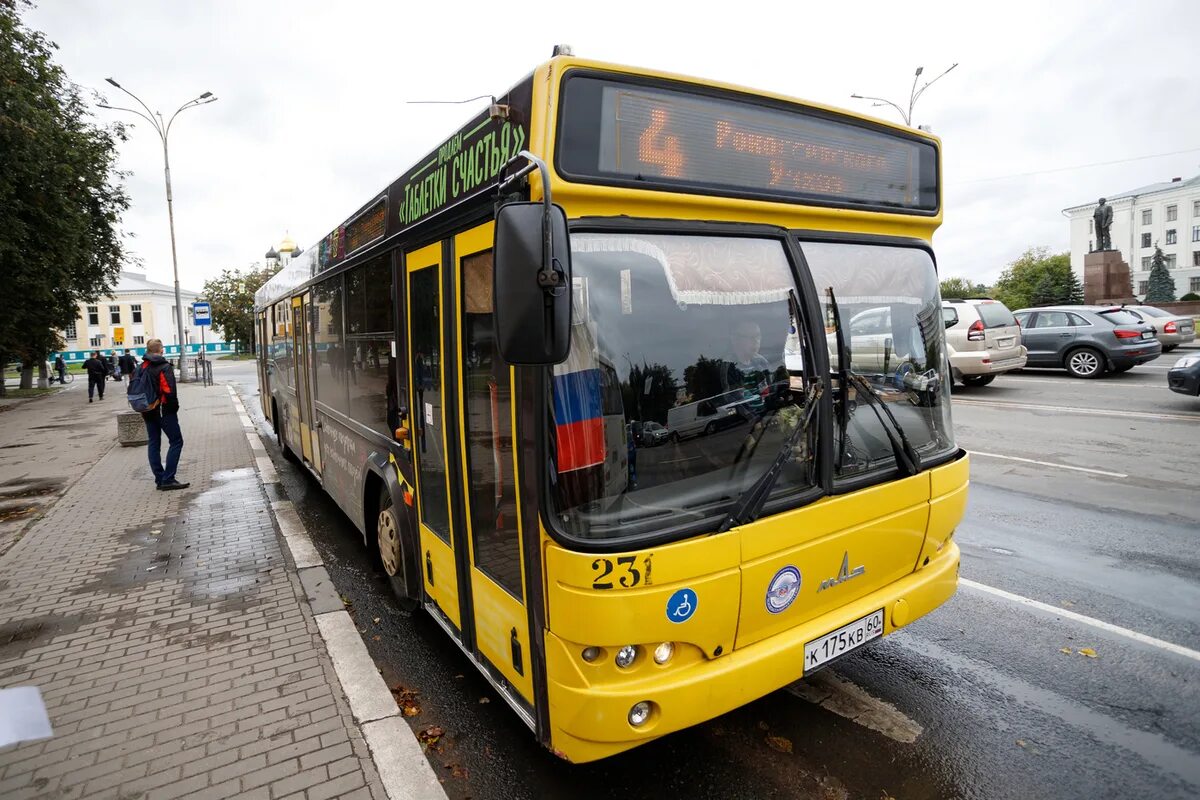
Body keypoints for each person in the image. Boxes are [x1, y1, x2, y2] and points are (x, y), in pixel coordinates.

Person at [138, 338, 189, 491]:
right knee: (176, 441)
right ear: (160, 350)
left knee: (154, 443)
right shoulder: (163, 367)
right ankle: (168, 478)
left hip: (147, 409)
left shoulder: (141, 366)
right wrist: (174, 407)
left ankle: (160, 478)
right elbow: (169, 391)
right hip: (163, 410)